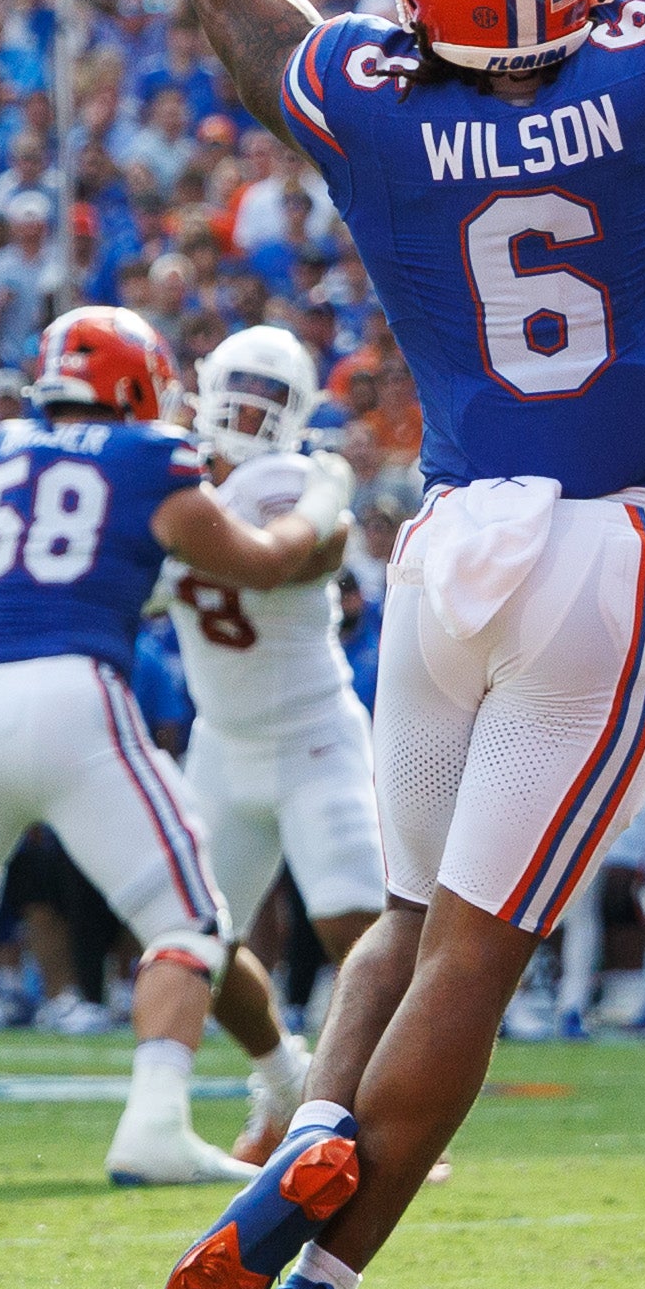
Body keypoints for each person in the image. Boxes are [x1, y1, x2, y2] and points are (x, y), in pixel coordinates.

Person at [155, 0, 645, 1289]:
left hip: (453, 534)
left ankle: (315, 1130)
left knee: (395, 920)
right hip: (604, 545)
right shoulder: (640, 64)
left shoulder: (374, 103)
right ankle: (317, 1272)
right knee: (477, 955)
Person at [0, 307, 347, 1184]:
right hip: (72, 694)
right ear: (133, 384)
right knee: (193, 925)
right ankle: (158, 1122)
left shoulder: (1, 450)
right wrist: (323, 499)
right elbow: (264, 561)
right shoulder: (150, 456)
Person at [157, 325, 370, 1147]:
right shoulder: (172, 475)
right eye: (238, 388)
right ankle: (284, 1085)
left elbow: (297, 559)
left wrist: (326, 509)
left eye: (270, 396)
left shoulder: (287, 479)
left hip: (313, 736)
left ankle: (388, 1120)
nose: (247, 409)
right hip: (223, 741)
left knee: (358, 933)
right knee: (195, 939)